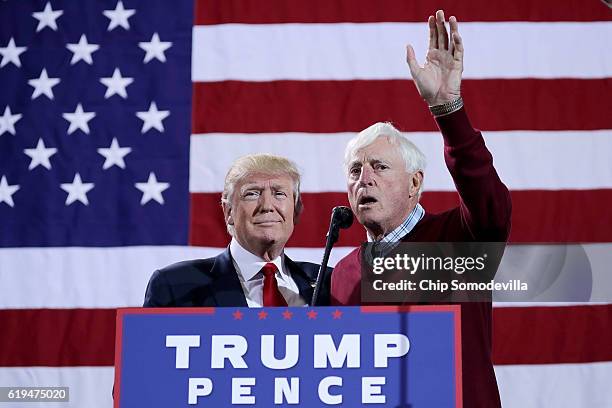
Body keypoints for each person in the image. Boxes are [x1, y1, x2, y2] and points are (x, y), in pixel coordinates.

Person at [330, 10, 512, 408]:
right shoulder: (340, 274)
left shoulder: (460, 240)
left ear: (415, 184)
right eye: (355, 171)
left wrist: (449, 110)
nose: (365, 180)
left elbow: (487, 197)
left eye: (379, 167)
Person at [144, 154, 331, 307]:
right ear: (229, 212)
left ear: (296, 212)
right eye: (252, 194)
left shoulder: (329, 284)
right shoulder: (175, 285)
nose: (267, 206)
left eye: (279, 194)